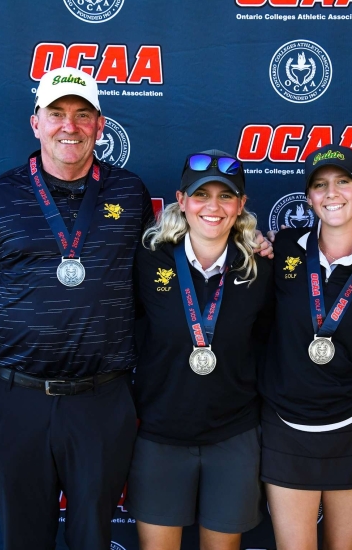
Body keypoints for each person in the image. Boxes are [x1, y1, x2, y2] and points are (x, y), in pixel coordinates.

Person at [0, 67, 154, 550]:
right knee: (24, 539)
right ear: (36, 123)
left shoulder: (130, 194)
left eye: (82, 115)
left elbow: (179, 258)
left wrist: (249, 242)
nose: (69, 126)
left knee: (93, 539)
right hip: (19, 398)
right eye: (57, 114)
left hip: (102, 400)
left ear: (100, 125)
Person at [260, 144, 352, 550]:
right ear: (308, 197)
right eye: (320, 185)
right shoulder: (283, 250)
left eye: (343, 182)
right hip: (286, 427)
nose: (332, 193)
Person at [127, 150, 274, 550]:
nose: (213, 207)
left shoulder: (260, 267)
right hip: (160, 435)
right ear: (182, 200)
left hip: (233, 436)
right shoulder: (148, 259)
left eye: (226, 196)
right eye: (200, 195)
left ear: (241, 205)